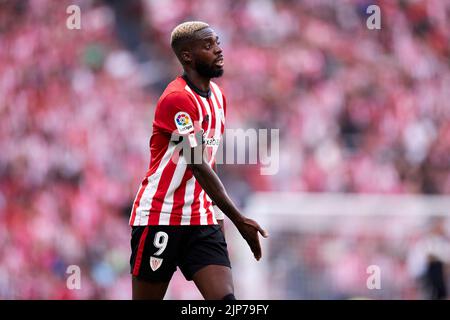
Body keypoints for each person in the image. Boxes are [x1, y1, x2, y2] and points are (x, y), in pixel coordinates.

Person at [129, 21, 268, 300]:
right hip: (161, 217)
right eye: (208, 45)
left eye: (217, 42)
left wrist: (217, 214)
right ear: (187, 56)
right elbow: (195, 162)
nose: (218, 50)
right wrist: (238, 218)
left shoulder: (218, 97)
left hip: (201, 220)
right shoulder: (176, 99)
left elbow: (208, 158)